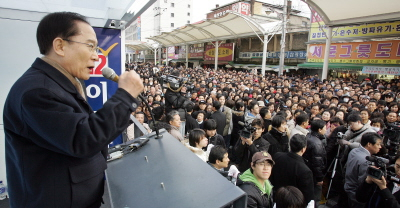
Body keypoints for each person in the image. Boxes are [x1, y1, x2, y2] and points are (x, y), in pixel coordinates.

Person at [3, 12, 144, 208]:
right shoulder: (37, 91)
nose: (97, 56)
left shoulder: (61, 83)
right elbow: (84, 139)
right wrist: (125, 96)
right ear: (60, 46)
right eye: (90, 46)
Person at [270, 134, 314, 205]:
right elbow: (308, 196)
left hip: (275, 198)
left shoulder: (277, 156)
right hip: (292, 203)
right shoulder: (305, 170)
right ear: (303, 149)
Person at [345, 132, 382, 208]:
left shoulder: (354, 151)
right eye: (378, 144)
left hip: (348, 187)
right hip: (356, 194)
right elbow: (363, 182)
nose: (380, 147)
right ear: (369, 144)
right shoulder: (366, 161)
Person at [303, 119, 327, 207]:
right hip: (313, 174)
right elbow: (317, 163)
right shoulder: (317, 143)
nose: (326, 130)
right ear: (319, 129)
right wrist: (320, 178)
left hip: (308, 169)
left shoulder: (308, 136)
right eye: (324, 128)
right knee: (314, 197)